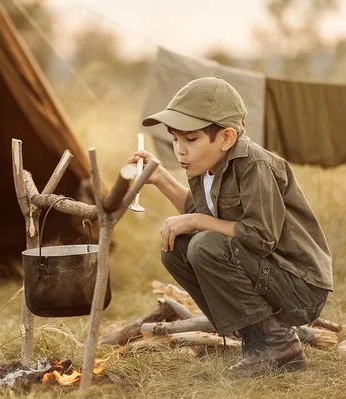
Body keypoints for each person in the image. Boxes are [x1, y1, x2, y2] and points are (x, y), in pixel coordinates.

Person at [132, 76, 333, 376]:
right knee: (176, 248)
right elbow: (201, 211)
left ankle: (279, 344)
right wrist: (160, 177)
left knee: (203, 243)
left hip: (301, 286)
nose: (180, 151)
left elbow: (260, 237)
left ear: (226, 137)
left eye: (191, 139)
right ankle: (254, 337)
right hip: (268, 273)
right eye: (175, 139)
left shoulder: (254, 165)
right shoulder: (205, 166)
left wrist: (196, 221)